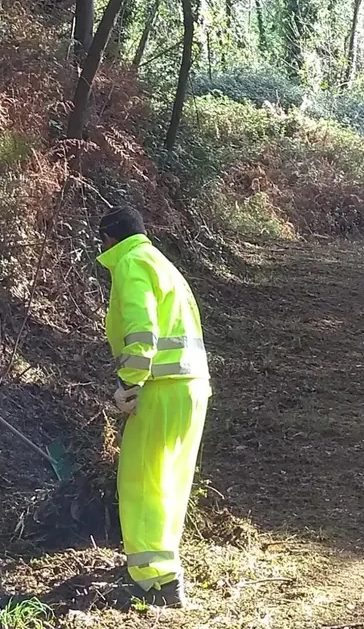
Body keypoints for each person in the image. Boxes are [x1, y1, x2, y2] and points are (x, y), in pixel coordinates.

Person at [96, 206, 211, 608]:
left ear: (110, 239)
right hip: (192, 386)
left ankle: (155, 581)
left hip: (160, 390)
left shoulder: (130, 263)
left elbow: (142, 329)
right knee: (171, 481)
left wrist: (130, 383)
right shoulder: (160, 262)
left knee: (141, 483)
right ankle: (166, 567)